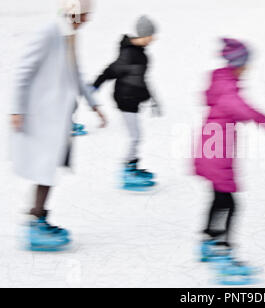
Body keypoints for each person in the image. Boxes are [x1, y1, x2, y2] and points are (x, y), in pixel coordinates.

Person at [10, 0, 106, 251]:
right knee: (45, 169)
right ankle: (34, 222)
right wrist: (17, 109)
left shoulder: (69, 35)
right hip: (42, 115)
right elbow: (23, 70)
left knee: (49, 170)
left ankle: (38, 217)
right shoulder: (49, 31)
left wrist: (94, 105)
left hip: (58, 118)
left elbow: (76, 74)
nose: (87, 19)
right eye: (85, 14)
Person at [194, 38, 265, 285]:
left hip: (208, 146)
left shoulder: (220, 81)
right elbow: (250, 113)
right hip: (217, 152)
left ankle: (207, 241)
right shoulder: (229, 92)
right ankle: (223, 255)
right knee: (231, 203)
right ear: (240, 63)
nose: (249, 68)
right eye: (247, 63)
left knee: (218, 197)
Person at [92, 16, 161, 191]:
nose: (153, 38)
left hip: (132, 98)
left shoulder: (139, 52)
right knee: (135, 137)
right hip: (125, 98)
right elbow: (112, 70)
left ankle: (132, 167)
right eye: (151, 35)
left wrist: (151, 97)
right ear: (143, 35)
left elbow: (141, 78)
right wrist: (95, 85)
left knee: (136, 136)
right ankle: (127, 171)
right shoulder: (129, 53)